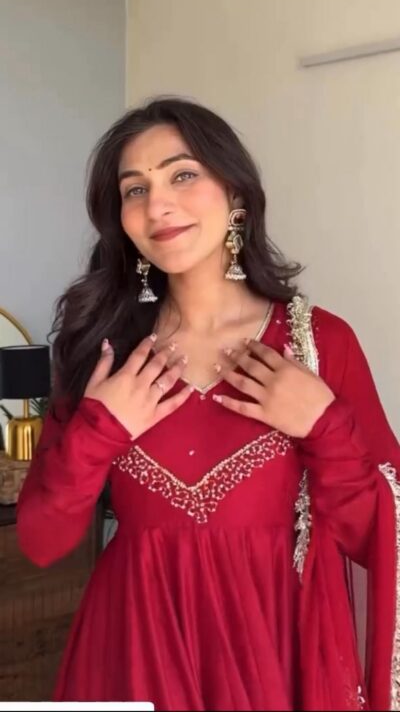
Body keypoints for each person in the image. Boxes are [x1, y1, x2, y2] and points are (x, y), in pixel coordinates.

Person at [17, 97, 399, 711]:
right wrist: (100, 429)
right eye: (135, 189)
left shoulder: (318, 344)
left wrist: (323, 428)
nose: (157, 205)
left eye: (182, 175)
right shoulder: (104, 350)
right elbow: (42, 540)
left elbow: (378, 537)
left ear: (236, 192)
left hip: (273, 655)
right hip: (131, 653)